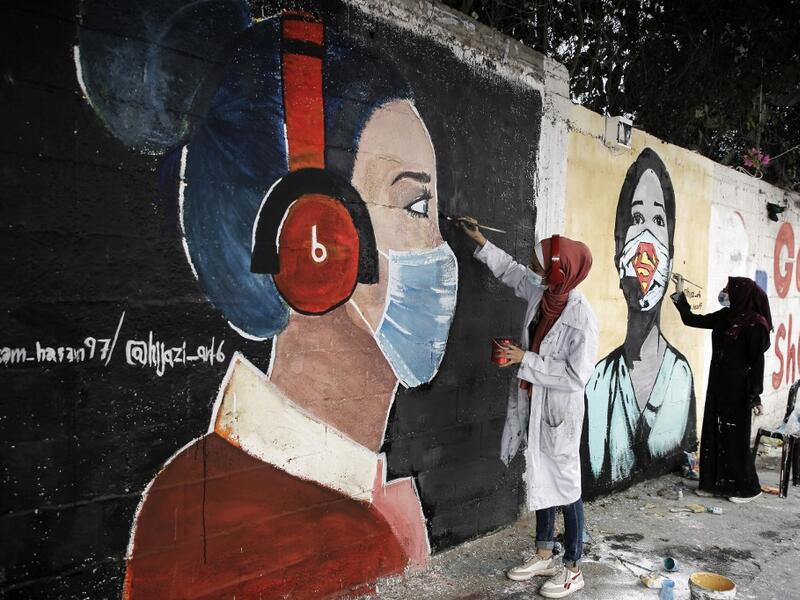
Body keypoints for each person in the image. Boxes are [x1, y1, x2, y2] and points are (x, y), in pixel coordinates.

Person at [121, 13, 457, 599]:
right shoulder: (278, 523)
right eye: (416, 207)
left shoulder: (334, 497)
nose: (440, 250)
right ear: (316, 242)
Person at [460, 218, 598, 599]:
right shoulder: (545, 293)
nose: (533, 272)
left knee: (566, 487)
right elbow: (511, 271)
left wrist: (526, 359)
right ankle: (543, 553)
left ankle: (572, 567)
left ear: (558, 271)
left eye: (540, 266)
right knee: (540, 477)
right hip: (535, 401)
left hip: (559, 412)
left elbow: (575, 377)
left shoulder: (581, 318)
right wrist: (481, 240)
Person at [585, 148, 695, 488]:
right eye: (636, 220)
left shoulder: (680, 376)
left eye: (658, 221)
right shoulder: (598, 384)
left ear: (671, 255)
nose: (646, 238)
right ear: (619, 250)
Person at [672, 274, 773, 503]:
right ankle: (712, 484)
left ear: (741, 293)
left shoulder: (756, 325)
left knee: (734, 437)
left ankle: (746, 488)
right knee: (713, 433)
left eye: (728, 288)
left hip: (739, 388)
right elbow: (692, 320)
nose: (724, 292)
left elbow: (757, 362)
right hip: (718, 383)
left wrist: (755, 396)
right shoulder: (725, 317)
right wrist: (680, 294)